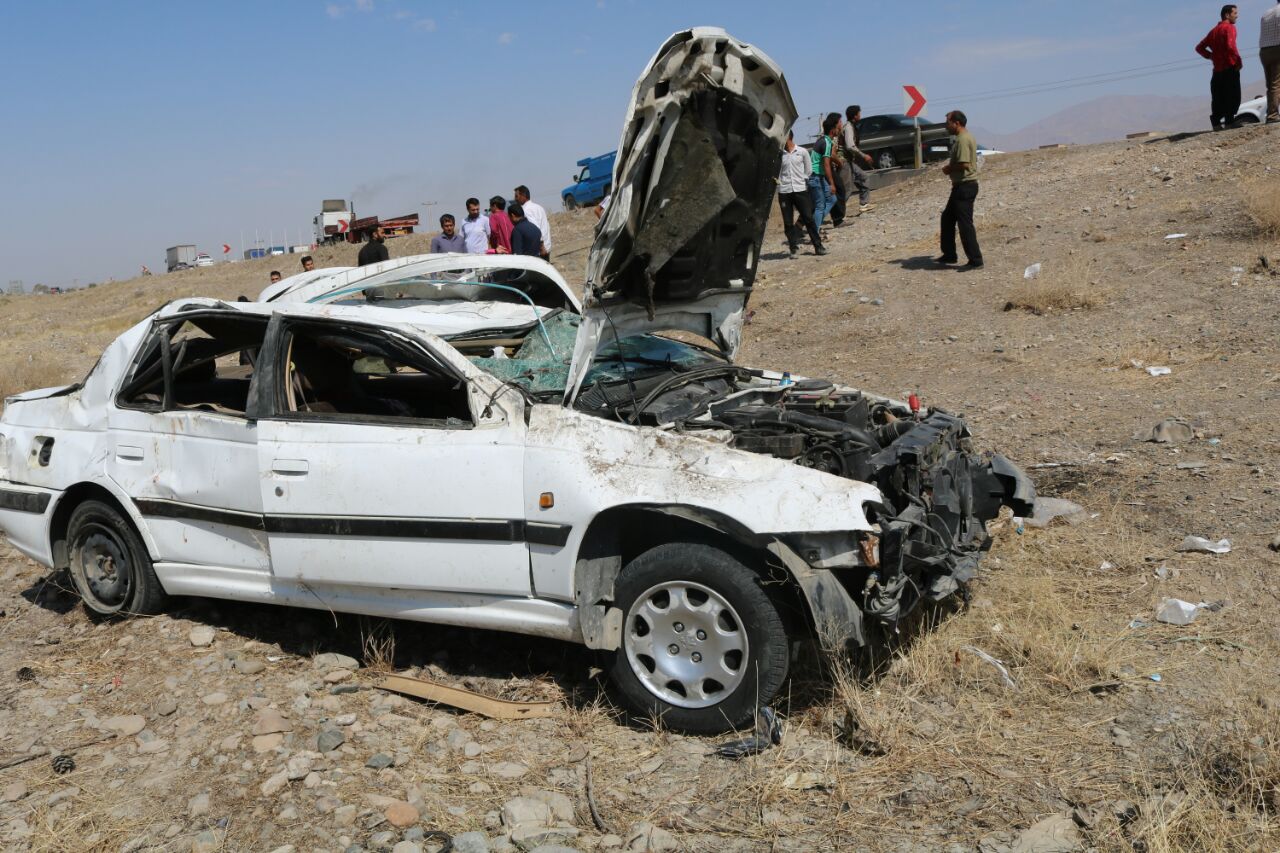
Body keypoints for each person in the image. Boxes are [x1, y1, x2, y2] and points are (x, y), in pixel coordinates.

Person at [938, 110, 983, 270]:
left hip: (965, 186)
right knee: (948, 218)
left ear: (956, 123)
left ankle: (976, 260)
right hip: (961, 186)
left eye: (948, 122)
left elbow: (964, 164)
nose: (946, 126)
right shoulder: (963, 137)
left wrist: (949, 169)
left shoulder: (963, 139)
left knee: (965, 224)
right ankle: (949, 254)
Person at [778, 130, 825, 257]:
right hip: (784, 192)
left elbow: (809, 170)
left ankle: (818, 246)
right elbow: (776, 173)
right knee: (788, 222)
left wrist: (801, 181)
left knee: (808, 219)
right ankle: (793, 248)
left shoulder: (802, 152)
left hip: (800, 190)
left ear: (788, 137)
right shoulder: (779, 154)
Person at [1197, 5, 1243, 131]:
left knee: (1218, 97)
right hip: (1229, 66)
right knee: (1233, 95)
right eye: (1235, 13)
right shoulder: (1229, 28)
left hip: (1217, 70)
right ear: (1227, 15)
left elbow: (1199, 48)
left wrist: (1211, 56)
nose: (1237, 15)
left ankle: (1216, 123)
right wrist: (1238, 61)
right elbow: (1230, 46)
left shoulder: (1213, 31)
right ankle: (1229, 122)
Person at [808, 113, 841, 229]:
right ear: (833, 130)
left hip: (818, 177)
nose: (839, 129)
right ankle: (814, 232)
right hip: (815, 177)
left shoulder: (823, 140)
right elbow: (827, 164)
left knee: (832, 199)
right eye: (838, 127)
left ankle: (814, 226)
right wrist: (832, 184)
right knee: (820, 206)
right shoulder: (826, 142)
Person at [841, 105, 875, 214]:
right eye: (859, 113)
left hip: (849, 161)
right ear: (855, 115)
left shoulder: (852, 126)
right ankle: (838, 213)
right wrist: (863, 155)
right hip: (844, 162)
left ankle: (864, 204)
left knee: (863, 177)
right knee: (847, 189)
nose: (860, 115)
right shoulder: (848, 127)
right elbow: (850, 146)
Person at [513, 185, 550, 260]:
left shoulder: (525, 210)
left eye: (516, 196)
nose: (515, 199)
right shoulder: (538, 207)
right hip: (546, 248)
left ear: (523, 196)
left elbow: (535, 230)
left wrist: (541, 247)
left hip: (539, 251)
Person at [1262, 0, 1280, 123]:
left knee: (1271, 85)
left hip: (1264, 50)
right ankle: (1273, 115)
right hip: (1277, 48)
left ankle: (1272, 113)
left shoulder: (1267, 13)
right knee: (1276, 84)